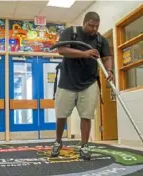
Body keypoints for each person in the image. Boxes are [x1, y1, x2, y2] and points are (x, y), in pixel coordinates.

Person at [51, 11, 114, 160]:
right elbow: (62, 50)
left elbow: (107, 57)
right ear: (84, 23)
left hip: (89, 82)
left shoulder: (101, 40)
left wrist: (109, 70)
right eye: (91, 26)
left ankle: (84, 145)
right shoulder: (71, 32)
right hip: (67, 82)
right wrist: (85, 53)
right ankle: (58, 142)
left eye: (96, 26)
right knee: (61, 115)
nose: (94, 29)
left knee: (86, 116)